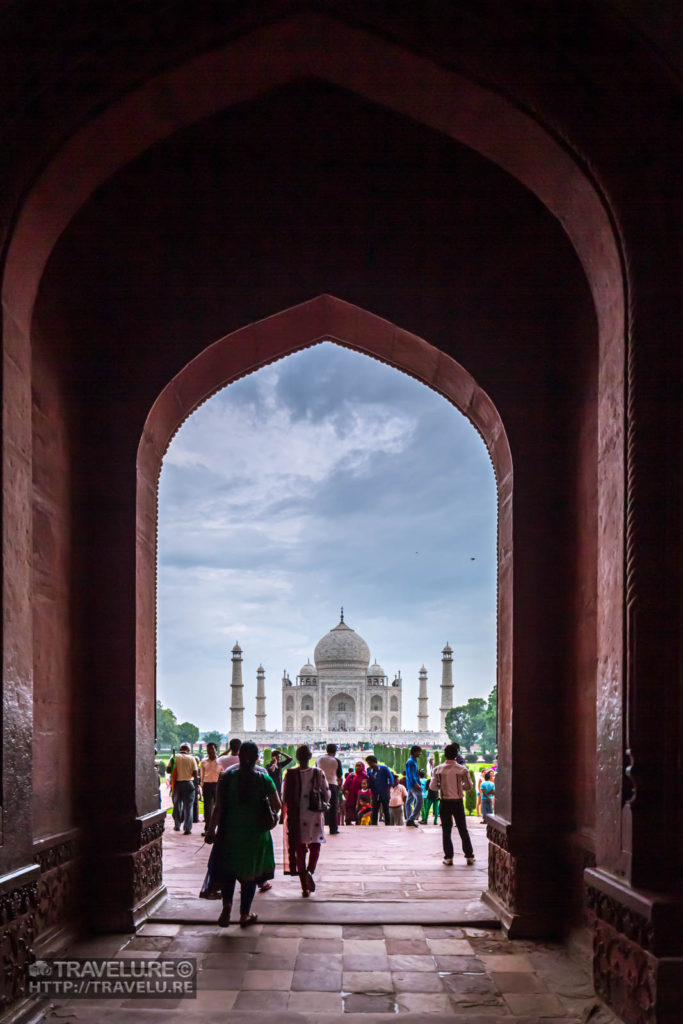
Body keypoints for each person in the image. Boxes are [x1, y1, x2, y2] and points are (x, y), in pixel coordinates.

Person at [200, 740, 280, 927]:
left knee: (229, 872)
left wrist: (211, 831)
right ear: (257, 758)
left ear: (240, 757)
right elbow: (278, 805)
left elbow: (218, 807)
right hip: (255, 834)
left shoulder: (227, 778)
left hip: (230, 832)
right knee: (249, 875)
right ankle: (244, 914)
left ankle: (227, 907)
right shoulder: (263, 779)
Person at [282, 745, 330, 896]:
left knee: (299, 849)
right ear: (311, 757)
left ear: (297, 757)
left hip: (297, 816)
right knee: (315, 846)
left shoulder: (289, 774)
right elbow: (327, 794)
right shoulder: (318, 773)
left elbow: (284, 798)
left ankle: (304, 885)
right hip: (314, 815)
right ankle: (310, 872)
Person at [429, 743, 475, 865]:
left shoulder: (438, 769)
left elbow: (433, 787)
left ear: (445, 755)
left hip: (444, 802)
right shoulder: (462, 770)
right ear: (456, 755)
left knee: (446, 830)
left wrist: (442, 786)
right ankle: (469, 856)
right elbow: (469, 786)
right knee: (462, 829)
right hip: (457, 802)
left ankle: (448, 857)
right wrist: (460, 788)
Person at [171, 743, 199, 834]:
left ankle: (177, 825)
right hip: (189, 784)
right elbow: (195, 774)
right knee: (188, 807)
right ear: (189, 750)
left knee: (177, 805)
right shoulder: (192, 758)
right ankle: (187, 829)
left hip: (177, 784)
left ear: (180, 749)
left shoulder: (174, 757)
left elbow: (168, 770)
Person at [317, 743, 343, 834]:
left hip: (320, 784)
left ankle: (317, 828)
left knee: (318, 807)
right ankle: (333, 829)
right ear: (335, 751)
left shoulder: (319, 759)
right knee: (333, 808)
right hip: (332, 785)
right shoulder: (336, 761)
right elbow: (339, 776)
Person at [365, 755, 394, 826]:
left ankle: (388, 825)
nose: (369, 765)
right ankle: (374, 825)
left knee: (386, 810)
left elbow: (391, 778)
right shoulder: (370, 772)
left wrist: (388, 789)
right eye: (368, 763)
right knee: (374, 810)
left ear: (375, 762)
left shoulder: (384, 769)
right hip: (375, 794)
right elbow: (370, 783)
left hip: (384, 793)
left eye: (370, 763)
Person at [200, 742, 221, 834]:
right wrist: (201, 785)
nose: (210, 751)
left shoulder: (220, 761)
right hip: (207, 785)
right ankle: (208, 829)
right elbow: (202, 775)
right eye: (208, 749)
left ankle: (218, 828)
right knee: (207, 808)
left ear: (216, 750)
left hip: (218, 785)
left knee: (219, 807)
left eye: (212, 749)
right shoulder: (204, 762)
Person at [404, 745, 423, 827]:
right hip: (413, 785)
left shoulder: (413, 761)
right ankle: (411, 819)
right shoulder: (411, 762)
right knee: (419, 801)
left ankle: (409, 820)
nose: (420, 753)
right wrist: (416, 784)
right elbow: (410, 775)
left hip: (411, 784)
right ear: (414, 752)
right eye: (419, 752)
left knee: (408, 803)